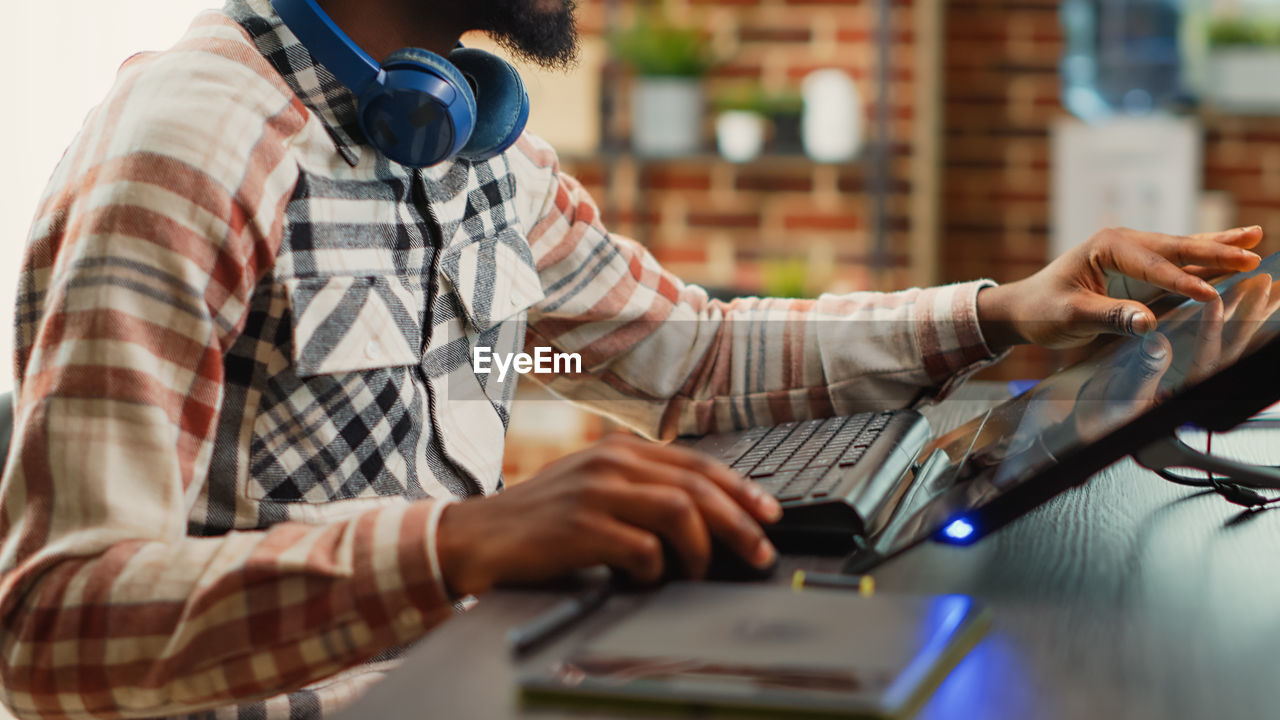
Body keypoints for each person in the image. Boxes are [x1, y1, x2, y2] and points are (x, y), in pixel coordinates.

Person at [0, 0, 1263, 717]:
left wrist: (996, 313)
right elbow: (50, 627)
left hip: (466, 685)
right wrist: (459, 547)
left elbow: (688, 352)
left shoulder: (471, 148)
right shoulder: (184, 150)